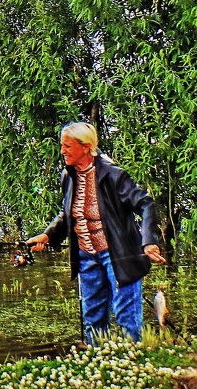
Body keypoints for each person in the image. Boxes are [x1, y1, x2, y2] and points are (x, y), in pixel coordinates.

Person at [23, 121, 165, 343]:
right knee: (93, 319)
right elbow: (68, 213)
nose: (62, 151)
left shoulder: (113, 175)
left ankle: (138, 362)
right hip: (86, 257)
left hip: (119, 255)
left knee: (126, 316)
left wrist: (148, 241)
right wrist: (48, 235)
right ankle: (98, 363)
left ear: (86, 147)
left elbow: (146, 204)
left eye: (68, 147)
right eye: (62, 146)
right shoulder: (68, 176)